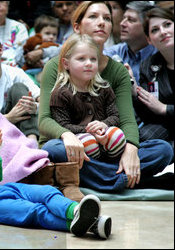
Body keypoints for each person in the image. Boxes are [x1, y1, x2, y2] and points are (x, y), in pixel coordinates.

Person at [38, 1, 174, 192]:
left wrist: (131, 149)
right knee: (53, 149)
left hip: (107, 147)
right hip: (70, 145)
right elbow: (44, 120)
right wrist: (67, 135)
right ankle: (133, 180)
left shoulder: (117, 70)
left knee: (163, 150)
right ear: (77, 27)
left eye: (107, 18)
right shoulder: (56, 65)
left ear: (111, 27)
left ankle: (98, 178)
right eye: (93, 17)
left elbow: (126, 121)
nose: (101, 22)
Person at [50, 33, 126, 161]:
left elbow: (115, 116)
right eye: (81, 59)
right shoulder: (60, 93)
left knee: (117, 134)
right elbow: (62, 125)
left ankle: (112, 166)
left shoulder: (104, 88)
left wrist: (103, 125)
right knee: (82, 144)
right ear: (66, 64)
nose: (89, 63)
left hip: (105, 140)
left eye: (93, 59)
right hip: (80, 141)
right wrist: (89, 131)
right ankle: (106, 172)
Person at [133, 7, 174, 147]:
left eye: (167, 24)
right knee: (142, 137)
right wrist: (133, 89)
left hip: (168, 117)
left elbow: (160, 108)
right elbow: (148, 115)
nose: (163, 32)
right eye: (155, 30)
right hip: (166, 127)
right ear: (149, 40)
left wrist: (165, 108)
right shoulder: (148, 66)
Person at [103, 1, 157, 84]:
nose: (122, 24)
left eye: (130, 20)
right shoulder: (115, 52)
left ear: (147, 25)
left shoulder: (160, 54)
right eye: (123, 18)